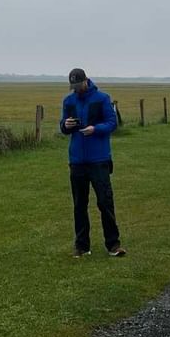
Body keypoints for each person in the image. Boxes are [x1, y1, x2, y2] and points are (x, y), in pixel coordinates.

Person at [60, 67, 126, 258]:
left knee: (105, 202)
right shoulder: (69, 101)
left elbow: (112, 123)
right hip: (77, 161)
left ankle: (113, 245)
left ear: (86, 81)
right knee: (79, 205)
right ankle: (82, 246)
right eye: (73, 86)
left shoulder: (102, 98)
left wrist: (95, 129)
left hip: (99, 159)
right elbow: (63, 126)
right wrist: (66, 125)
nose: (76, 89)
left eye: (78, 85)